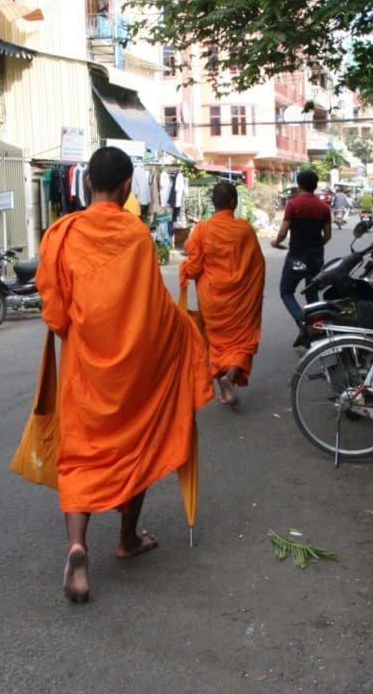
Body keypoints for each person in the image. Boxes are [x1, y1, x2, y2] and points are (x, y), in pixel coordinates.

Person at [36, 147, 214, 602]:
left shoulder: (62, 233)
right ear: (127, 186)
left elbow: (55, 316)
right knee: (136, 444)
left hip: (84, 369)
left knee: (80, 454)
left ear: (89, 182)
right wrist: (188, 339)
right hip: (134, 371)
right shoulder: (135, 234)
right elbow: (155, 310)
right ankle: (127, 538)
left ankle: (78, 545)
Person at [178, 181, 266, 407]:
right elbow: (257, 265)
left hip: (213, 300)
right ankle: (229, 377)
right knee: (242, 342)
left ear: (213, 204)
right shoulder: (245, 230)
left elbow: (194, 267)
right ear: (234, 203)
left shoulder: (203, 230)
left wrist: (184, 270)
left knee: (216, 342)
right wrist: (252, 292)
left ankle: (225, 390)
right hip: (241, 301)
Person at [270, 168, 331, 348]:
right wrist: (315, 246)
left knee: (286, 291)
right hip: (316, 258)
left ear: (299, 184)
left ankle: (303, 322)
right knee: (312, 292)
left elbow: (283, 232)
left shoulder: (293, 204)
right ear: (315, 185)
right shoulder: (324, 207)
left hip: (297, 259)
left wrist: (275, 242)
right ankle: (316, 329)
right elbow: (327, 236)